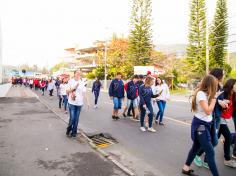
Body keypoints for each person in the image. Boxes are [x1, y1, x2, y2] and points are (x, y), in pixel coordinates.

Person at [182, 75, 222, 176]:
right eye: (215, 85)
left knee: (195, 147)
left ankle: (185, 168)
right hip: (200, 126)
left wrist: (216, 98)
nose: (216, 87)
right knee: (210, 152)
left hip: (207, 125)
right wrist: (214, 100)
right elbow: (208, 111)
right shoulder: (201, 94)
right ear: (210, 84)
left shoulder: (207, 94)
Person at [194, 68, 230, 168]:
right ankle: (197, 155)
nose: (224, 75)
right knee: (212, 140)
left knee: (213, 140)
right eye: (223, 73)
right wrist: (219, 102)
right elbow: (208, 97)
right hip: (212, 116)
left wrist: (224, 102)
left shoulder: (219, 85)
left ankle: (205, 159)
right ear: (218, 75)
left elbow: (218, 98)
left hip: (218, 116)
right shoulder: (211, 85)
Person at [217, 79, 236, 168]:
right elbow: (218, 104)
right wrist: (224, 104)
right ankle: (227, 159)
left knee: (215, 139)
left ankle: (198, 153)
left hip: (226, 119)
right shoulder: (224, 92)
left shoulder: (233, 94)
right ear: (232, 85)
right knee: (228, 137)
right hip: (221, 119)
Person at [66, 70, 90, 138]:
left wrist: (88, 102)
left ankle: (74, 133)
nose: (79, 74)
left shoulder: (82, 82)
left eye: (80, 73)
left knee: (76, 119)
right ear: (74, 74)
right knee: (72, 118)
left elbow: (85, 93)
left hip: (79, 103)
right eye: (77, 73)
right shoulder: (70, 81)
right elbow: (67, 91)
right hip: (72, 103)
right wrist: (74, 87)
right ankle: (69, 129)